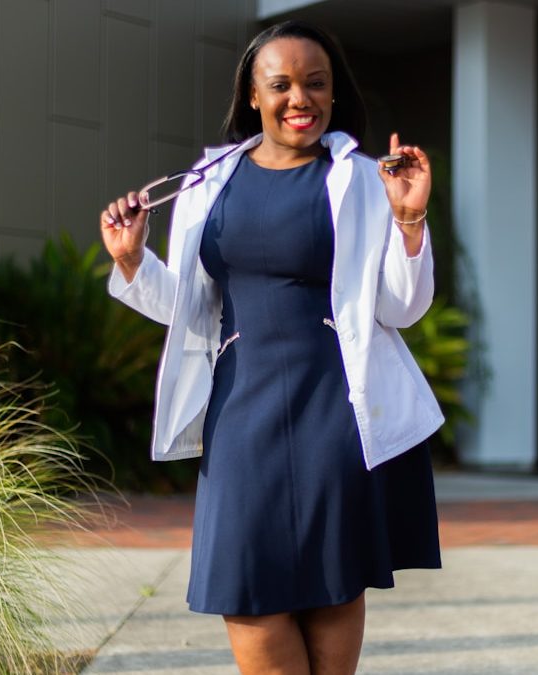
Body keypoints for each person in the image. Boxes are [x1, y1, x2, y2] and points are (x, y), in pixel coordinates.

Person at [100, 20, 444, 675]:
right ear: (252, 95)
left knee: (332, 585)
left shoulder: (365, 179)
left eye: (316, 84)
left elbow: (401, 307)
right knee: (247, 594)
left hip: (335, 410)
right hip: (240, 408)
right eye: (281, 84)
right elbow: (193, 309)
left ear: (334, 94)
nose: (300, 98)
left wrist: (409, 218)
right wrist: (133, 261)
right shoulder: (208, 180)